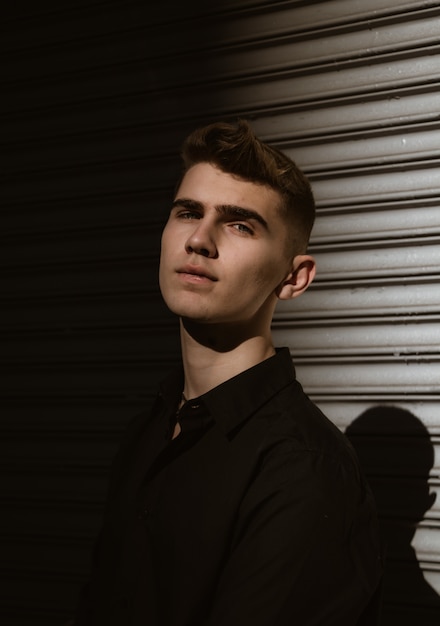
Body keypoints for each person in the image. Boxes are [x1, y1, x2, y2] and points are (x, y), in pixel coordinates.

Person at [73, 120, 383, 625]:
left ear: (294, 277)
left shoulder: (305, 469)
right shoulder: (150, 430)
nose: (199, 239)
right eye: (188, 212)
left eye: (240, 224)